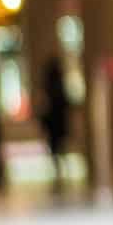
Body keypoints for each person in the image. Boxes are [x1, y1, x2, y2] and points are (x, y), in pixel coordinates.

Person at [39, 57, 76, 190]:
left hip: (54, 122)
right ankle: (61, 171)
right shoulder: (59, 85)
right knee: (60, 148)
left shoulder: (49, 86)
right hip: (59, 121)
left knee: (55, 148)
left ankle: (59, 172)